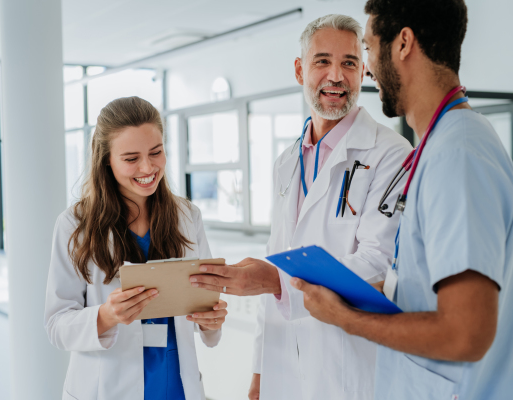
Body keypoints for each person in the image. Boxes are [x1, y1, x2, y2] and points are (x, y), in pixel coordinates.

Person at [291, 1, 513, 399]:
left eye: (369, 50)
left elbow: (465, 334)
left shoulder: (458, 153)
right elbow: (422, 286)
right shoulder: (440, 145)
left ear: (403, 43)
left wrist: (345, 318)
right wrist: (355, 293)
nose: (368, 69)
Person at [189, 15, 412, 400]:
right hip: (282, 364)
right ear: (299, 70)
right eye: (322, 61)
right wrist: (259, 370)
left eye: (349, 63)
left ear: (362, 72)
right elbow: (275, 257)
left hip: (347, 363)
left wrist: (275, 281)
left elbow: (378, 263)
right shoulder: (286, 162)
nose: (336, 76)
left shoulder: (391, 154)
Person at [44, 96, 227, 400]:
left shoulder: (187, 216)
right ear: (106, 160)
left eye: (156, 152)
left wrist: (211, 320)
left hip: (175, 384)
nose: (148, 167)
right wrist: (106, 315)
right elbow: (56, 324)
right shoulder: (74, 225)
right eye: (131, 158)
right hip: (107, 386)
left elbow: (203, 298)